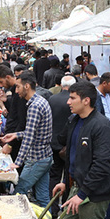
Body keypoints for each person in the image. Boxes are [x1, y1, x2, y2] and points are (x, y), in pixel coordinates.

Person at [53, 80, 110, 219]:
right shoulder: (74, 121)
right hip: (76, 187)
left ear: (86, 100)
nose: (68, 102)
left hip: (93, 193)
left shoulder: (102, 125)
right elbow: (70, 156)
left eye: (73, 98)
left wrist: (82, 193)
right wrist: (65, 181)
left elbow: (102, 164)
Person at [0, 71, 53, 208]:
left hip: (36, 159)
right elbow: (34, 132)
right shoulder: (40, 101)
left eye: (18, 87)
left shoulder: (34, 106)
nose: (16, 91)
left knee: (19, 192)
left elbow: (29, 137)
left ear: (27, 86)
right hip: (45, 156)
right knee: (42, 196)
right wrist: (15, 135)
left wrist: (18, 162)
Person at [48, 75, 75, 211]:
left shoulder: (52, 99)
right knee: (68, 176)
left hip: (53, 142)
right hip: (68, 144)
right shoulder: (74, 102)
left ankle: (52, 207)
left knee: (54, 175)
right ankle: (66, 206)